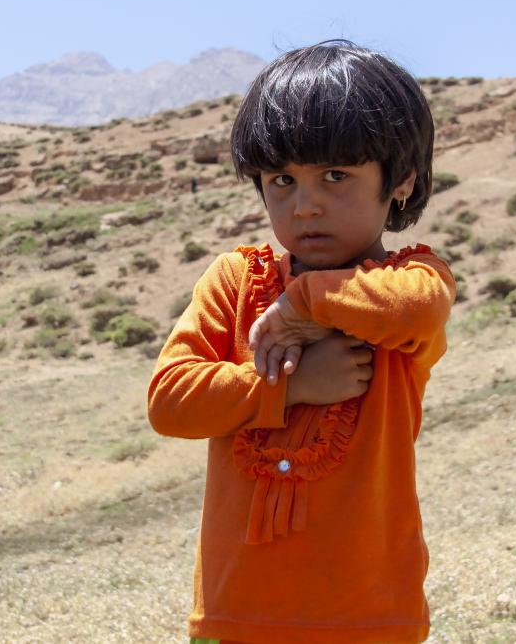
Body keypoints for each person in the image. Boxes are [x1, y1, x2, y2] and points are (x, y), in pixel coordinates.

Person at [147, 40, 455, 644]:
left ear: (401, 181)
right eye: (281, 179)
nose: (305, 204)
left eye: (335, 175)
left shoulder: (412, 280)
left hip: (368, 615)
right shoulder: (237, 280)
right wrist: (289, 386)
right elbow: (170, 401)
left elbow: (419, 309)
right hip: (236, 613)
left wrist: (302, 302)